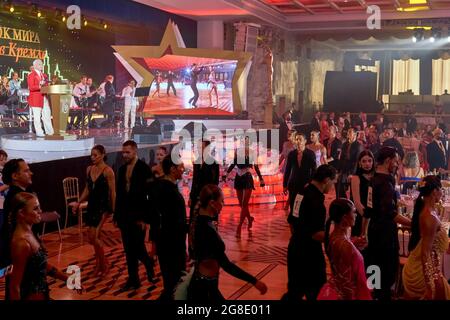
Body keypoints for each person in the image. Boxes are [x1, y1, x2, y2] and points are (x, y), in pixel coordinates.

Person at [187, 184, 267, 301]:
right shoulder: (206, 229)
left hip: (205, 284)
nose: (223, 205)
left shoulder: (200, 221)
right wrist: (254, 281)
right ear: (212, 203)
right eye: (222, 201)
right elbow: (227, 265)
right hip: (204, 290)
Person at [8, 193, 81, 300]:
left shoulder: (29, 233)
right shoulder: (21, 243)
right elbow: (14, 287)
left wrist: (68, 279)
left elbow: (41, 265)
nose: (40, 211)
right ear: (21, 213)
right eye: (35, 209)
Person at [362, 146, 411, 300]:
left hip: (374, 233)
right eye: (396, 162)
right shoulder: (385, 185)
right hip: (385, 236)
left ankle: (375, 295)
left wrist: (364, 233)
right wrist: (413, 223)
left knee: (374, 272)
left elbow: (368, 211)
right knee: (387, 274)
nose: (397, 165)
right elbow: (392, 214)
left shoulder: (373, 180)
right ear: (388, 161)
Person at [284, 164, 337, 300]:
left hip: (295, 248)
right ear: (326, 180)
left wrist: (299, 237)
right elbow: (316, 234)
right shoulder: (317, 202)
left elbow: (291, 221)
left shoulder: (300, 193)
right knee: (317, 292)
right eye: (332, 182)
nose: (332, 187)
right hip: (310, 255)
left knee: (294, 292)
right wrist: (336, 238)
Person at [114, 140, 154, 290]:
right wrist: (116, 215)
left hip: (138, 216)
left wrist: (145, 219)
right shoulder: (122, 169)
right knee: (128, 249)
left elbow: (150, 196)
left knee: (137, 247)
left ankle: (148, 263)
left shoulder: (144, 169)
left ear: (135, 151)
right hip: (124, 216)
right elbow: (119, 194)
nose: (124, 155)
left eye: (127, 152)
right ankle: (133, 279)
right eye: (123, 152)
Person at [403, 176, 450, 299]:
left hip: (431, 268)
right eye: (440, 189)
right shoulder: (429, 217)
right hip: (424, 271)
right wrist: (430, 285)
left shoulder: (429, 211)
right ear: (434, 191)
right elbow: (425, 253)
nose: (442, 192)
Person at [72, 145, 115, 277]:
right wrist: (78, 202)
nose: (93, 157)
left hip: (103, 207)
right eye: (91, 155)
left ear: (103, 155)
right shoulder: (89, 169)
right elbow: (87, 189)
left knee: (94, 236)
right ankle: (100, 264)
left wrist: (114, 210)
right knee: (92, 238)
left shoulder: (108, 171)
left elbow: (113, 192)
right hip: (92, 205)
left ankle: (103, 265)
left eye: (95, 155)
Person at [149, 155, 187, 300]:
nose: (183, 170)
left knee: (169, 281)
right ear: (172, 169)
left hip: (163, 241)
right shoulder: (170, 192)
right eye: (180, 167)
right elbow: (176, 223)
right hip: (173, 244)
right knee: (175, 284)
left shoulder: (157, 187)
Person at [317, 199, 372, 300]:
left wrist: (353, 244)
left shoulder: (333, 237)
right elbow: (347, 281)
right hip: (347, 294)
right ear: (345, 218)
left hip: (336, 289)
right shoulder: (345, 246)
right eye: (354, 212)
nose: (356, 215)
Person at [223, 137, 265, 238]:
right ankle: (249, 218)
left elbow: (256, 167)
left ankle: (239, 226)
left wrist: (261, 179)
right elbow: (233, 164)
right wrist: (226, 173)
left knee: (244, 203)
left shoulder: (252, 152)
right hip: (238, 177)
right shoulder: (237, 151)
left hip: (247, 177)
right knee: (241, 204)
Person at [283, 133, 316, 228]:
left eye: (300, 139)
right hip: (293, 184)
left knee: (304, 207)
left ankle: (304, 226)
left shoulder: (310, 154)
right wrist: (285, 185)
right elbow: (288, 170)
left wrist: (309, 182)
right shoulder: (292, 154)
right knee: (293, 207)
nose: (298, 142)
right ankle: (295, 227)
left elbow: (314, 170)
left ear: (305, 141)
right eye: (296, 139)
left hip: (305, 185)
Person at [189, 140, 220, 224]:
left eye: (201, 147)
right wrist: (191, 196)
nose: (199, 150)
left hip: (208, 197)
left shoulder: (214, 163)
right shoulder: (196, 162)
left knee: (206, 222)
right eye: (198, 148)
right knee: (194, 221)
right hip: (196, 195)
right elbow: (194, 181)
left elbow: (215, 183)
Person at [350, 150, 375, 237]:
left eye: (369, 161)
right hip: (361, 215)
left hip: (374, 215)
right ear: (359, 163)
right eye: (364, 161)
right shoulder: (356, 178)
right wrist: (366, 218)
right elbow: (357, 203)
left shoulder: (376, 176)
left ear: (373, 162)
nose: (367, 164)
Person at [27, 59, 54, 137]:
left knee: (47, 115)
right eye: (39, 64)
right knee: (37, 117)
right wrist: (40, 86)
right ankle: (39, 132)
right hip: (36, 99)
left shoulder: (44, 75)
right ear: (35, 66)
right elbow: (31, 87)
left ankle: (50, 132)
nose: (41, 65)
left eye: (42, 64)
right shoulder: (31, 75)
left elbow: (46, 85)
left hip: (44, 97)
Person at [337, 128, 364, 198]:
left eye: (350, 132)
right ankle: (343, 202)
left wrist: (352, 173)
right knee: (339, 186)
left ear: (355, 134)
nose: (348, 133)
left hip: (353, 169)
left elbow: (357, 161)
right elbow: (342, 158)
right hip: (344, 167)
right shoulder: (345, 144)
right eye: (348, 132)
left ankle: (352, 204)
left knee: (353, 191)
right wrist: (339, 170)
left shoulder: (358, 145)